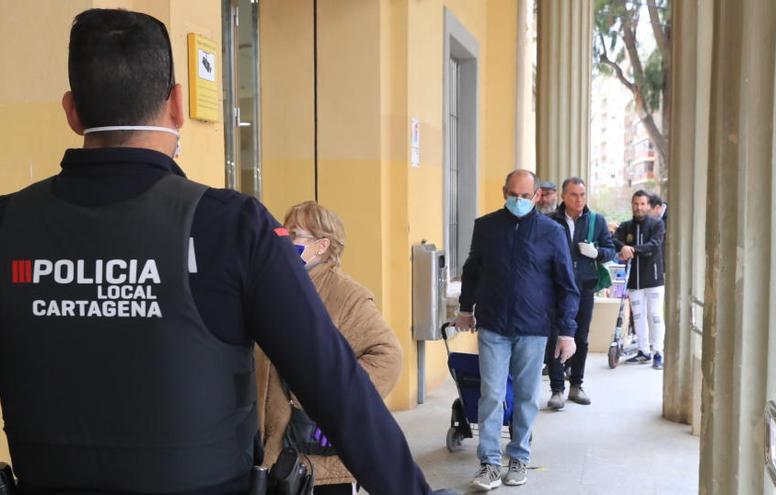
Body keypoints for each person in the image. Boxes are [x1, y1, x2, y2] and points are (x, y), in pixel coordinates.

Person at [0, 9, 451, 495]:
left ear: (71, 112)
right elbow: (338, 389)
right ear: (176, 106)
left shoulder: (9, 224)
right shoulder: (232, 228)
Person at [256, 201, 403, 495]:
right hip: (273, 450)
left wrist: (335, 405)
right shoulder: (277, 286)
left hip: (319, 459)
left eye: (295, 233)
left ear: (322, 245)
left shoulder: (347, 295)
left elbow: (388, 357)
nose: (284, 238)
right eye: (284, 230)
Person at [455, 170, 580, 491]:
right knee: (492, 395)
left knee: (525, 397)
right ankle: (489, 464)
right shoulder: (486, 227)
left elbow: (567, 284)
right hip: (494, 324)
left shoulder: (552, 232)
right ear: (503, 192)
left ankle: (519, 457)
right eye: (514, 194)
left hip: (534, 327)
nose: (520, 201)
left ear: (537, 195)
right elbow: (472, 271)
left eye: (526, 196)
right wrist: (466, 309)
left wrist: (567, 332)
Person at [545, 178, 616, 409]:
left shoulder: (596, 220)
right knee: (555, 336)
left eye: (582, 194)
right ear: (564, 196)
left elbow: (610, 251)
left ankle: (576, 384)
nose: (579, 199)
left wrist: (596, 253)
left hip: (584, 286)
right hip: (557, 288)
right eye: (574, 194)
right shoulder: (550, 221)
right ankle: (557, 389)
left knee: (581, 337)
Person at [613, 190, 667, 370]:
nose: (639, 207)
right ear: (632, 205)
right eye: (636, 204)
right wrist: (623, 247)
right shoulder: (626, 226)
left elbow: (654, 244)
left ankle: (658, 351)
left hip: (654, 278)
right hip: (634, 280)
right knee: (638, 316)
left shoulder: (657, 224)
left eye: (642, 204)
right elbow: (614, 240)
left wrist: (632, 250)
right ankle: (643, 351)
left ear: (649, 206)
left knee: (655, 315)